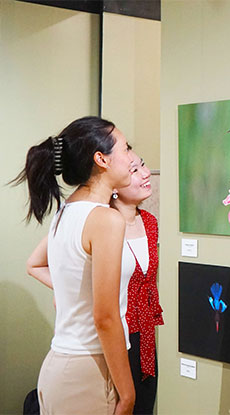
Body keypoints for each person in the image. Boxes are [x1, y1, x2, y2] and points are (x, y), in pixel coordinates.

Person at [17, 116, 136, 414]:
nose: (132, 158)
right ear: (101, 159)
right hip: (89, 371)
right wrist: (128, 393)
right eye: (126, 148)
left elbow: (41, 265)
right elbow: (105, 317)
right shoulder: (106, 220)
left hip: (61, 367)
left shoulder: (66, 213)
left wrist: (71, 293)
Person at [111, 151, 163, 414]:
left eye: (143, 164)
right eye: (134, 170)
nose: (145, 173)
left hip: (146, 339)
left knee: (144, 406)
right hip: (115, 337)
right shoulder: (104, 224)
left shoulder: (151, 223)